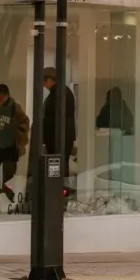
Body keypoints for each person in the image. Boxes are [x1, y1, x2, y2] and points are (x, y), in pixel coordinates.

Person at [41, 67, 78, 195]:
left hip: (58, 137)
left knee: (57, 167)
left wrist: (45, 137)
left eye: (44, 82)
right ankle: (60, 192)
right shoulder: (63, 92)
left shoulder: (58, 94)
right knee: (60, 166)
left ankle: (59, 193)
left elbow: (52, 119)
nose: (43, 85)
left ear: (49, 80)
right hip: (62, 136)